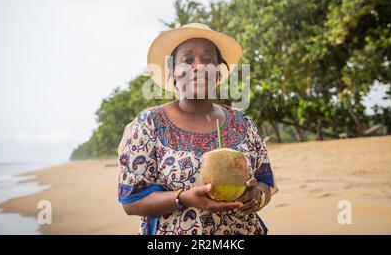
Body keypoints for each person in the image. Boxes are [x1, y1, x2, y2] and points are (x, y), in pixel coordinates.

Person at [117, 23, 278, 235]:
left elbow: (265, 182)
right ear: (173, 72)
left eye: (209, 60)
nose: (199, 66)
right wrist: (182, 198)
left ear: (219, 73)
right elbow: (131, 201)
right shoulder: (150, 123)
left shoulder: (243, 123)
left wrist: (256, 196)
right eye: (187, 60)